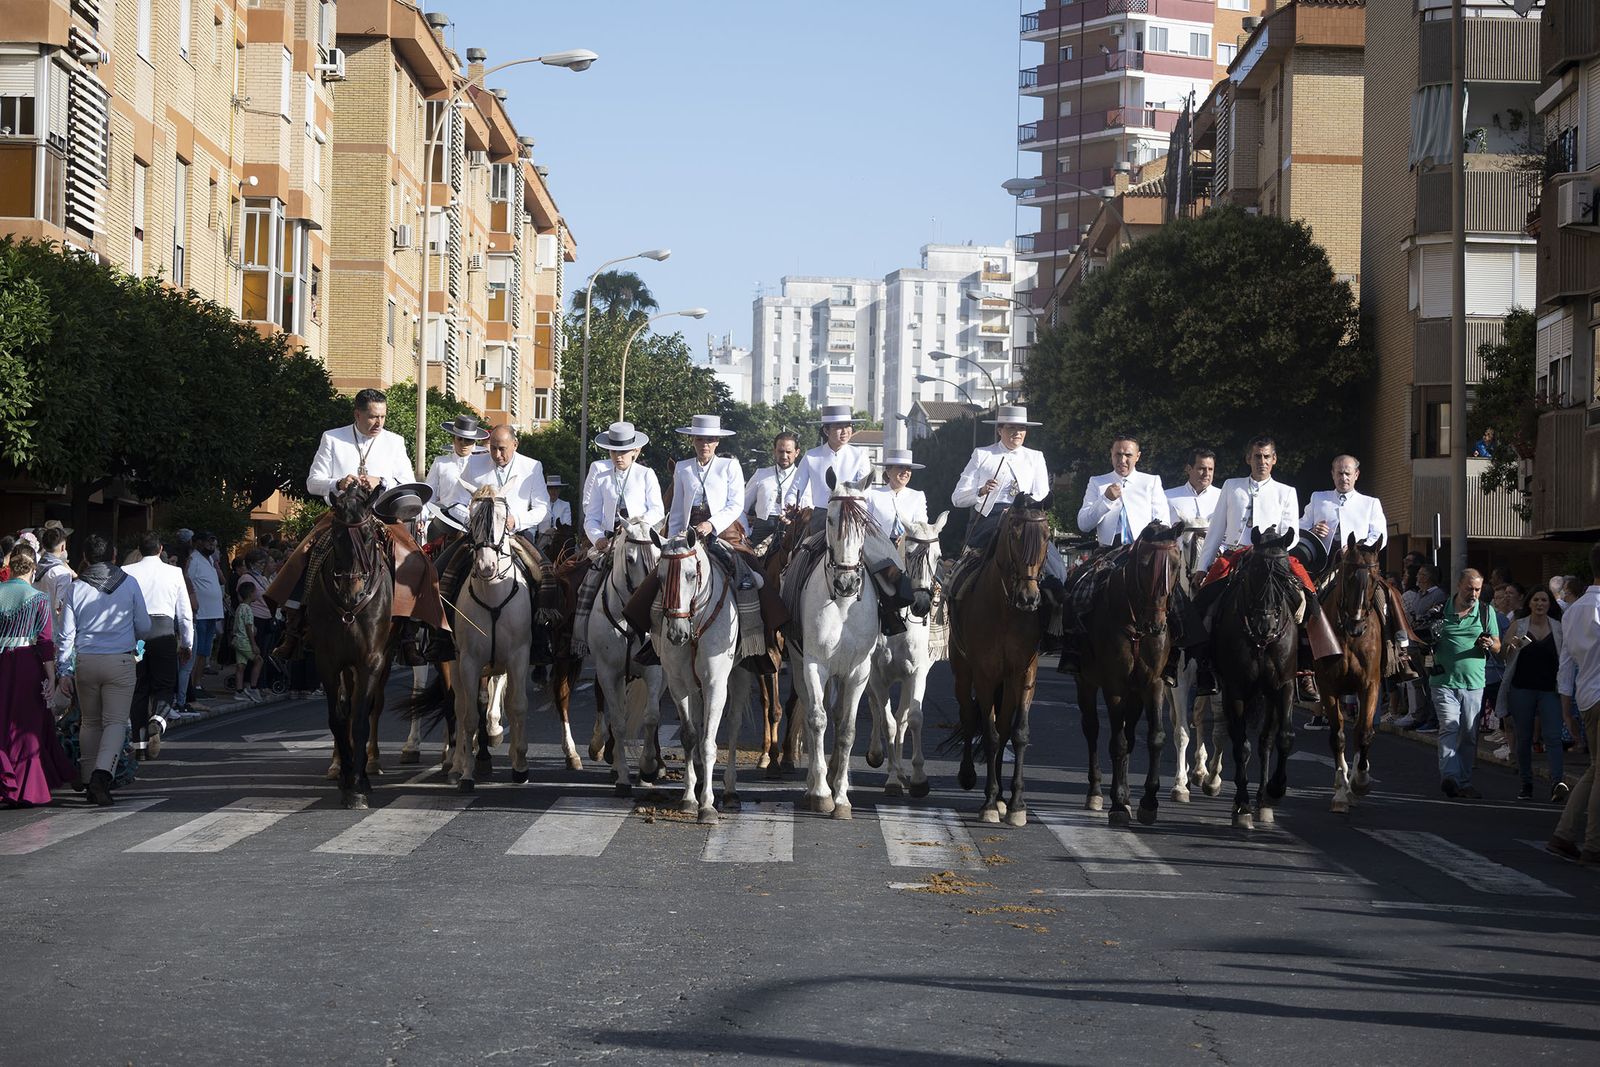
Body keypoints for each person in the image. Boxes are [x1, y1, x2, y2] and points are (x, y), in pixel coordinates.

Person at [267, 388, 449, 664]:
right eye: (373, 417)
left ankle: (409, 634)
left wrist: (382, 481)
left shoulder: (395, 441)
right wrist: (337, 483)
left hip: (383, 517)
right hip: (344, 515)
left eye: (383, 417)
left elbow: (407, 481)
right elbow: (312, 481)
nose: (379, 423)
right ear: (357, 414)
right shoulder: (332, 437)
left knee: (417, 563)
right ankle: (293, 629)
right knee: (305, 555)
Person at [1192, 436, 1331, 702]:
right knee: (1204, 602)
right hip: (1237, 556)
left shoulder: (1286, 491)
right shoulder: (1231, 487)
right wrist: (1202, 566)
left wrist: (1271, 546)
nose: (1262, 462)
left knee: (1308, 600)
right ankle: (1205, 668)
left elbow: (1291, 534)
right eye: (1257, 457)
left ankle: (1305, 670)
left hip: (1273, 557)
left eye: (1267, 457)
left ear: (1274, 460)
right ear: (1248, 459)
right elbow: (1216, 530)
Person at [56, 534, 153, 807]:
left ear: (85, 559)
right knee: (115, 722)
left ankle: (88, 779)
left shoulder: (76, 587)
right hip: (120, 660)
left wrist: (64, 669)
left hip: (85, 660)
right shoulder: (129, 584)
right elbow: (144, 626)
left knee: (90, 722)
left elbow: (66, 635)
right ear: (113, 556)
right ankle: (102, 775)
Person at [571, 422, 666, 656]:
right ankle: (580, 634)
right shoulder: (600, 475)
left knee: (661, 578)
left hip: (639, 539)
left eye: (623, 452)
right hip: (609, 541)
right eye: (614, 451)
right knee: (588, 581)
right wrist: (597, 538)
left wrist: (637, 524)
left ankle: (664, 636)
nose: (618, 456)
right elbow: (590, 516)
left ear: (636, 451)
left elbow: (658, 510)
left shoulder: (646, 474)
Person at [1, 544, 75, 807]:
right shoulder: (37, 598)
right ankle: (24, 788)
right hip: (25, 664)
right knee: (26, 725)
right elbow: (45, 644)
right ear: (32, 569)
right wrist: (51, 677)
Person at [1548, 544, 1600, 865]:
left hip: (1586, 696)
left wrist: (1566, 706)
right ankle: (1593, 843)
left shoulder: (1575, 609)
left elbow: (1565, 664)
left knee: (1596, 768)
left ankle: (1564, 833)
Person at [1429, 568, 1500, 800]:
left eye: (1478, 589)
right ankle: (1450, 776)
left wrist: (1490, 643)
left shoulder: (1486, 612)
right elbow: (1421, 638)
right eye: (1469, 588)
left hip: (1474, 683)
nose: (1474, 593)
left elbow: (1498, 646)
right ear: (1459, 585)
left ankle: (1464, 781)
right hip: (1443, 681)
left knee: (1469, 734)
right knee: (1449, 726)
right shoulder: (1439, 610)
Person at [122, 531, 194, 759]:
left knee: (139, 688)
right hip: (163, 633)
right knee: (165, 684)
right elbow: (184, 613)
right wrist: (187, 642)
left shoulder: (126, 572)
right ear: (161, 549)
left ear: (139, 549)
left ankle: (139, 747)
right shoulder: (173, 572)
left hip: (137, 637)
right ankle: (158, 719)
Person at [950, 405, 1051, 551]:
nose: (1017, 433)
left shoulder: (1036, 457)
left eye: (1021, 428)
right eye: (1011, 428)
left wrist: (1023, 508)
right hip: (990, 518)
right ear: (999, 430)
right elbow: (957, 498)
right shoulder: (982, 454)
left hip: (1026, 518)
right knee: (972, 560)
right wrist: (981, 491)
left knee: (1055, 564)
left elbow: (1042, 492)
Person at [1502, 588, 1566, 803]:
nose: (1540, 603)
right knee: (1525, 738)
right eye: (1536, 600)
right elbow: (1503, 653)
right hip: (1522, 688)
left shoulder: (1558, 628)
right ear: (1529, 603)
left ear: (1549, 603)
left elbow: (1566, 657)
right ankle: (1526, 783)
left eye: (1544, 600)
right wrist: (1510, 646)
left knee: (1553, 737)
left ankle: (1557, 783)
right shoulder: (1518, 626)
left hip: (1550, 690)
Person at [1076, 436, 1171, 548]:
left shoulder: (1151, 482)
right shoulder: (1096, 482)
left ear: (1137, 456)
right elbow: (1084, 524)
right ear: (1111, 454)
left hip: (1143, 550)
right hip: (1108, 552)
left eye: (1128, 455)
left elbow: (1163, 523)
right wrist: (1105, 500)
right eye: (1118, 454)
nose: (1122, 460)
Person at [1392, 564, 1447, 730]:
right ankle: (1420, 715)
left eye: (1422, 574)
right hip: (1415, 643)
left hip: (1428, 645)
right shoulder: (1419, 594)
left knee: (1431, 681)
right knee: (1420, 681)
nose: (1418, 577)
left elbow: (1431, 616)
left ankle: (1433, 718)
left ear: (1429, 577)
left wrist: (1420, 619)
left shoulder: (1438, 595)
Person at [179, 530, 227, 709]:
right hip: (201, 613)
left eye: (213, 543)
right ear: (198, 542)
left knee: (205, 652)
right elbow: (187, 581)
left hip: (211, 613)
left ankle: (198, 684)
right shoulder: (194, 559)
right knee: (197, 651)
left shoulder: (209, 560)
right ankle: (192, 686)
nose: (212, 546)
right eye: (208, 542)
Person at [424, 414, 490, 540]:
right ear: (453, 439)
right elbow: (430, 494)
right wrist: (422, 517)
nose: (463, 444)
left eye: (468, 440)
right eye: (460, 439)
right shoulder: (440, 462)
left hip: (473, 524)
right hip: (444, 521)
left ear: (475, 442)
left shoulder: (484, 465)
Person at [744, 432, 803, 545]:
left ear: (797, 452)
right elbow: (742, 507)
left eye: (788, 452)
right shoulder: (760, 474)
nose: (784, 456)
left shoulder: (803, 477)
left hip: (791, 531)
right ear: (774, 451)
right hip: (761, 531)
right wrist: (746, 531)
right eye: (781, 451)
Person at [864, 449, 929, 543]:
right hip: (877, 547)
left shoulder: (917, 496)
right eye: (900, 467)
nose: (905, 472)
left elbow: (921, 525)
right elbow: (865, 523)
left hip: (907, 547)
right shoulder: (872, 494)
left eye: (908, 468)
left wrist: (904, 539)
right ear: (888, 471)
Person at [1165, 448, 1220, 529]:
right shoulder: (1167, 497)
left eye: (1210, 469)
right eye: (1201, 469)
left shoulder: (1223, 497)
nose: (1207, 474)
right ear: (1189, 469)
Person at [230, 581, 263, 703]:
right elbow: (248, 627)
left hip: (237, 640)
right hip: (244, 641)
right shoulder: (248, 609)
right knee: (259, 660)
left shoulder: (240, 608)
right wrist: (254, 644)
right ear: (250, 594)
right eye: (255, 592)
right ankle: (253, 687)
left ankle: (239, 691)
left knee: (240, 665)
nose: (256, 594)